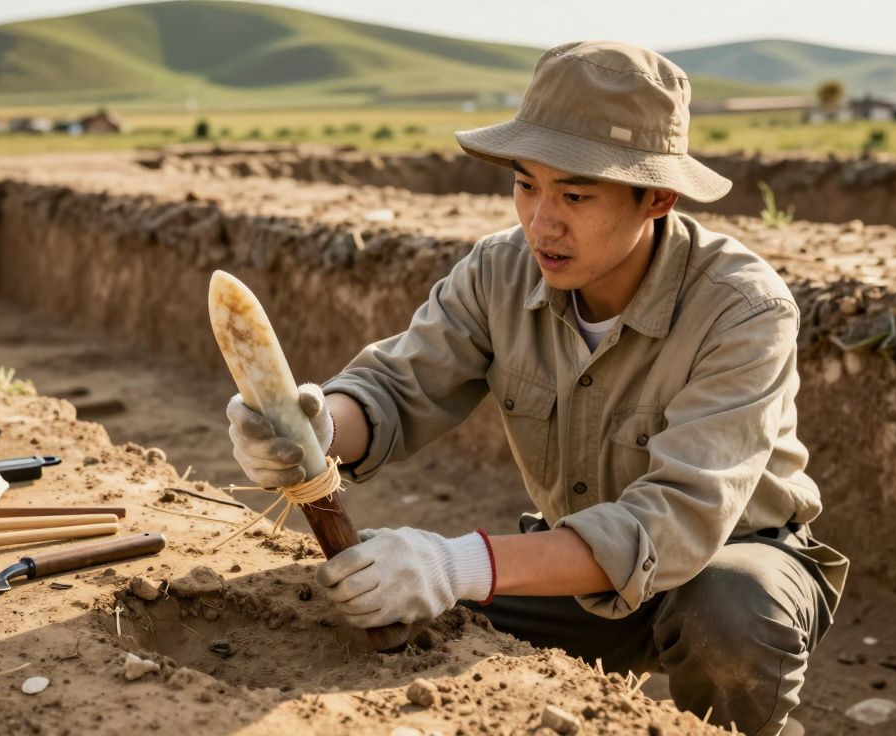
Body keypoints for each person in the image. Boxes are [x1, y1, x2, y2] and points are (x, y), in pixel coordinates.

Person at [226, 41, 848, 736]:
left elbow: (673, 523)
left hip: (724, 563)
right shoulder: (499, 271)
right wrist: (315, 431)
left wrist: (457, 563)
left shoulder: (742, 309)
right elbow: (398, 387)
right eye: (527, 184)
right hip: (572, 567)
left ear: (658, 198)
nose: (541, 222)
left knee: (734, 608)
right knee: (385, 596)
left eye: (575, 195)